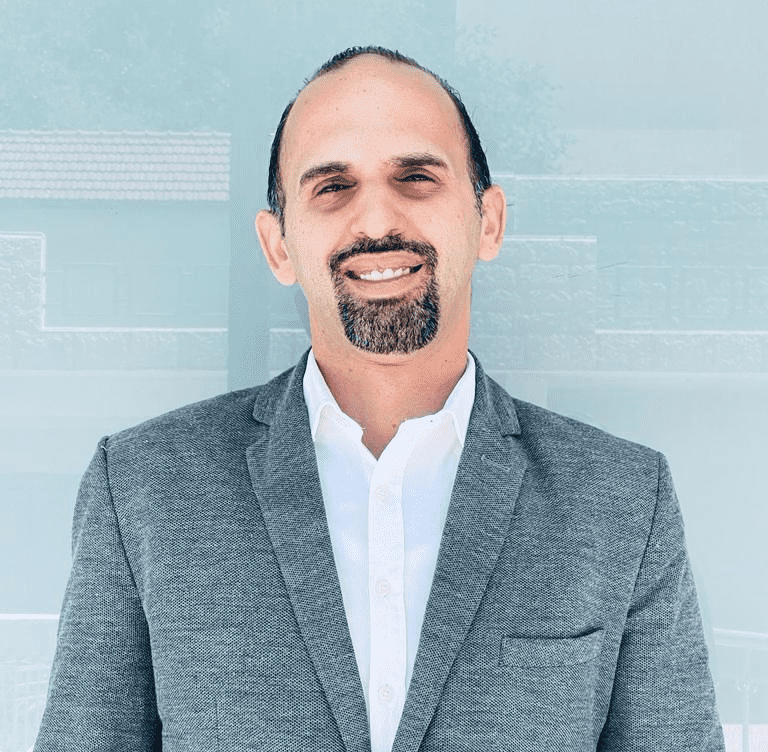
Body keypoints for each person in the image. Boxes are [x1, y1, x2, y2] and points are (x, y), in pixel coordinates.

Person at [34, 46, 725, 752]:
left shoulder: (622, 499)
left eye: (416, 177)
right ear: (278, 246)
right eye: (332, 187)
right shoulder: (143, 488)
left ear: (488, 221)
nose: (374, 221)